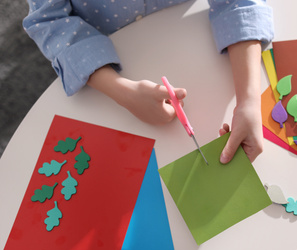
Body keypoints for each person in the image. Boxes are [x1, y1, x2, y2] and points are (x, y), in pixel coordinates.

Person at [23, 0, 274, 164]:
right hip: (103, 60)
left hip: (188, 33)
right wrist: (122, 92)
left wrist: (248, 101)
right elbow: (49, 21)